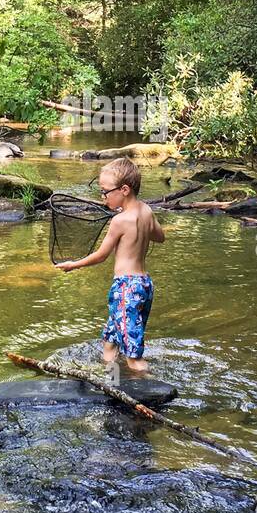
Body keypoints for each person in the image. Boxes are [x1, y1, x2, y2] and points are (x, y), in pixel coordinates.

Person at [55, 158, 164, 372]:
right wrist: (140, 231)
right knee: (111, 339)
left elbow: (101, 255)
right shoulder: (146, 211)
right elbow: (159, 237)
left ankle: (147, 388)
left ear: (124, 189)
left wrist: (73, 265)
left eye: (105, 191)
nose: (102, 196)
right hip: (144, 285)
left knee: (133, 355)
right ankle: (111, 378)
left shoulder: (119, 221)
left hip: (125, 288)